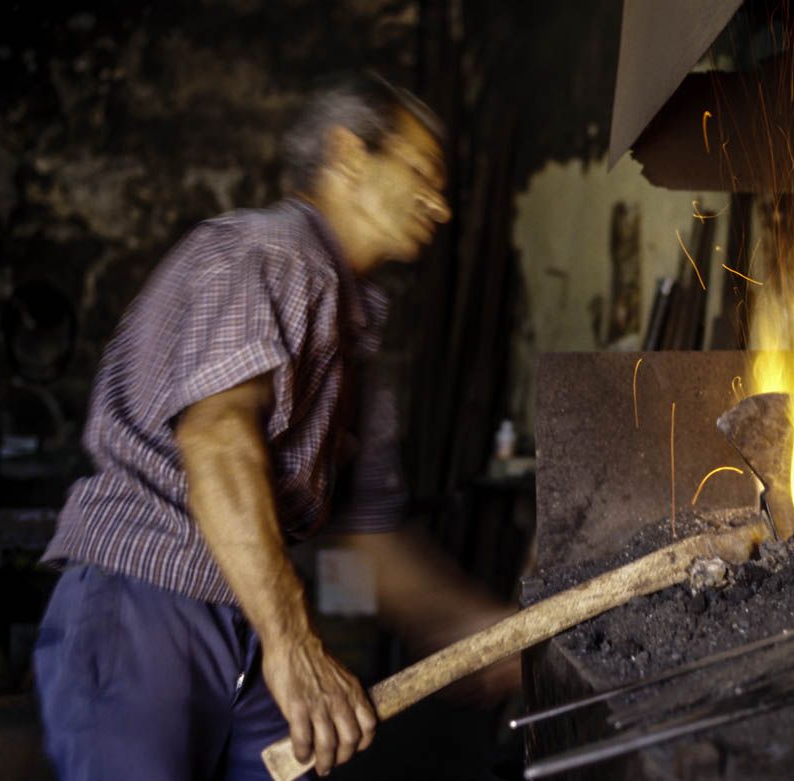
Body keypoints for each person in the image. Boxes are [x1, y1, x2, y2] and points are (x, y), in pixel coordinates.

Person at [33, 72, 519, 780]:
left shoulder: (355, 328)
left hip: (246, 617)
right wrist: (292, 642)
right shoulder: (274, 253)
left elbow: (369, 539)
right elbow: (217, 438)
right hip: (146, 598)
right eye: (420, 173)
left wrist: (481, 633)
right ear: (347, 156)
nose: (440, 206)